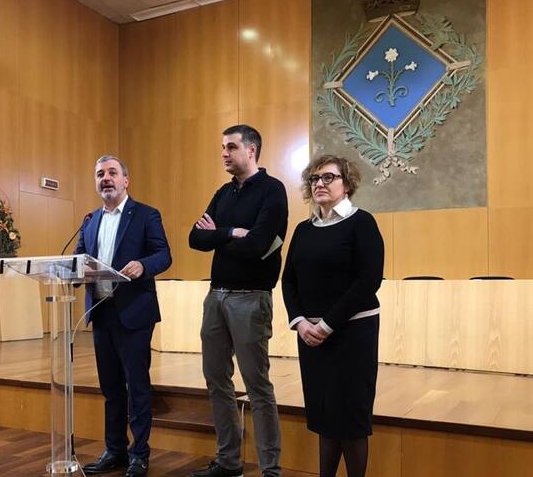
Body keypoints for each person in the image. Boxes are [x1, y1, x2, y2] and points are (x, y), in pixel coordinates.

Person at [189, 124, 288, 477]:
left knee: (257, 386)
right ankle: (229, 462)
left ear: (251, 150)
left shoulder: (273, 190)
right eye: (222, 147)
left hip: (251, 298)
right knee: (216, 381)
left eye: (230, 147)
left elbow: (259, 246)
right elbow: (194, 239)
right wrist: (231, 232)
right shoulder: (223, 192)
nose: (224, 153)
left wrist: (216, 237)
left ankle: (270, 469)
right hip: (215, 296)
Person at [281, 154, 384, 477]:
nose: (319, 184)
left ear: (347, 184)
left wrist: (326, 325)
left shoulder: (361, 222)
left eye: (328, 177)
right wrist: (299, 322)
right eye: (314, 179)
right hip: (311, 336)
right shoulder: (303, 229)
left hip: (352, 333)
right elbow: (289, 280)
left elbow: (368, 280)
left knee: (350, 419)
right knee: (325, 416)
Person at [76, 155, 172, 476]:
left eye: (112, 173)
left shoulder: (145, 214)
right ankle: (115, 450)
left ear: (125, 180)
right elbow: (78, 258)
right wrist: (72, 271)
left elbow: (163, 254)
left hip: (134, 314)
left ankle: (139, 454)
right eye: (100, 174)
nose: (106, 178)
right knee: (111, 388)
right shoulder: (90, 220)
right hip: (101, 312)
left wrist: (144, 265)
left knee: (137, 387)